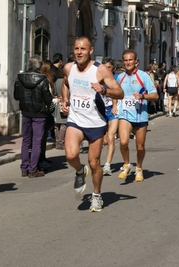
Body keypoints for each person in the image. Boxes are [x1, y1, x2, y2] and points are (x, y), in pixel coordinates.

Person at [61, 36, 124, 212]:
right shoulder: (69, 67)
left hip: (96, 122)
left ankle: (96, 195)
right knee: (71, 155)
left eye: (83, 49)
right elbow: (66, 83)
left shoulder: (101, 70)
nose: (79, 52)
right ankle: (80, 171)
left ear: (90, 51)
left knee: (94, 163)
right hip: (76, 119)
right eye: (76, 49)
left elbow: (119, 92)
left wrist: (104, 90)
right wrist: (65, 99)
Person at [116, 49, 158, 182]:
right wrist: (113, 105)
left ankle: (138, 168)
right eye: (126, 60)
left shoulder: (143, 76)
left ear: (136, 61)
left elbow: (155, 95)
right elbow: (116, 93)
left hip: (140, 115)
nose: (128, 62)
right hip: (125, 114)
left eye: (130, 60)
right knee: (123, 141)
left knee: (140, 146)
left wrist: (142, 96)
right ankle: (127, 164)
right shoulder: (120, 77)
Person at [14, 55, 53, 178]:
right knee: (37, 141)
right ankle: (32, 169)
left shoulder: (20, 78)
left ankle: (24, 168)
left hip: (25, 112)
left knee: (26, 141)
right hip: (39, 113)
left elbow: (16, 96)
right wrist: (50, 108)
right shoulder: (43, 79)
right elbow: (48, 98)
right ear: (39, 65)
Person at [101, 57, 119, 176]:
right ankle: (96, 162)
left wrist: (114, 105)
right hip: (100, 111)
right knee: (103, 140)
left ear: (113, 69)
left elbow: (115, 92)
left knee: (111, 137)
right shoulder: (98, 78)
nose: (106, 69)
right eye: (105, 67)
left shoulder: (116, 78)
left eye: (109, 67)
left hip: (112, 110)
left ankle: (107, 165)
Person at [39, 59, 55, 169]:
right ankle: (41, 159)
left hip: (40, 111)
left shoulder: (43, 79)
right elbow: (47, 97)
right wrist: (55, 101)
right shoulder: (45, 80)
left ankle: (42, 157)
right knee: (41, 137)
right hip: (44, 111)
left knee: (42, 137)